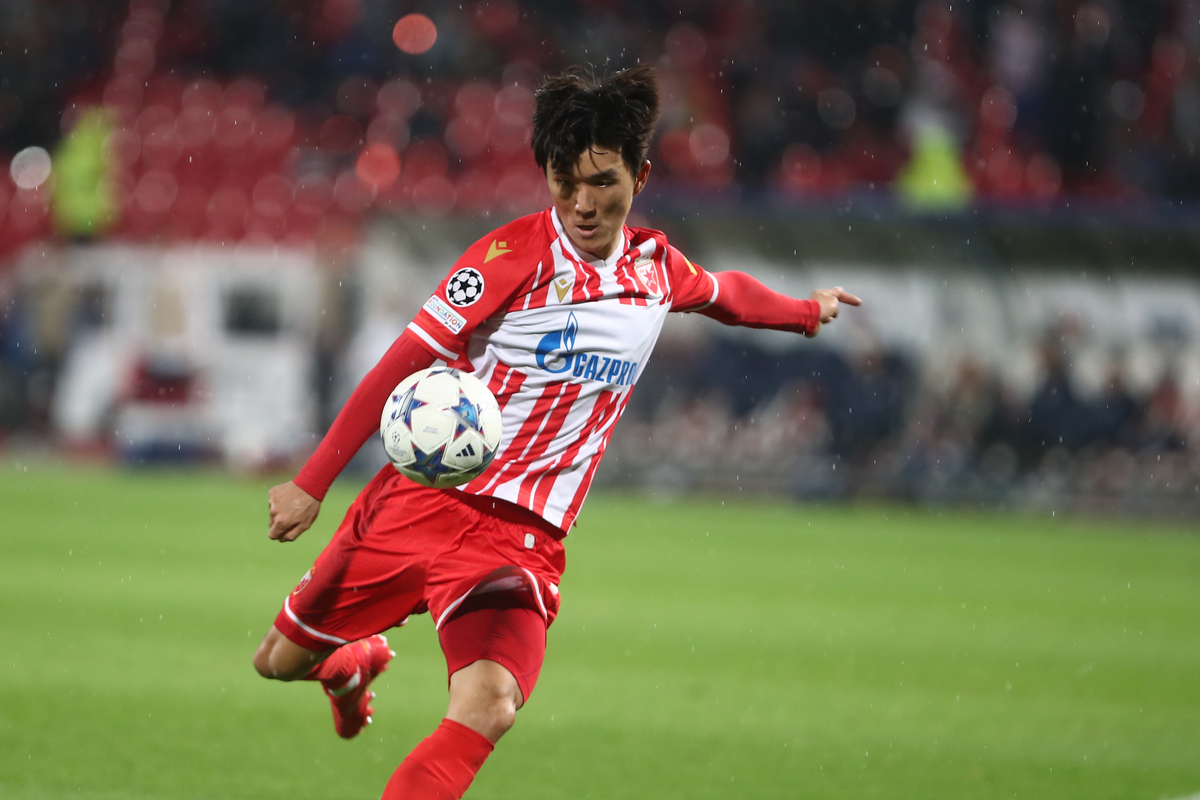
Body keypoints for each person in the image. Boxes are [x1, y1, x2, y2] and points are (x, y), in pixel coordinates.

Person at [253, 63, 860, 800]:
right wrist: (312, 482)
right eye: (563, 181)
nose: (581, 202)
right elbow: (399, 365)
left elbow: (725, 294)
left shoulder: (655, 269)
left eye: (601, 182)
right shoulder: (507, 260)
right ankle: (349, 666)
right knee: (278, 661)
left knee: (489, 706)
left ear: (639, 174)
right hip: (419, 505)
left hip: (521, 536)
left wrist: (804, 311)